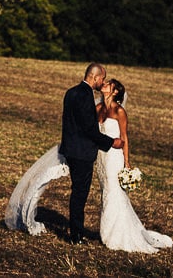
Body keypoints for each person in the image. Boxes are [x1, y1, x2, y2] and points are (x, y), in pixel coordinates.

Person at [95, 78, 173, 252]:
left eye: (108, 84)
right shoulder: (99, 108)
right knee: (105, 191)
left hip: (114, 158)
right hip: (101, 157)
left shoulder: (119, 112)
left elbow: (125, 137)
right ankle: (109, 230)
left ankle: (115, 234)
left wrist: (127, 162)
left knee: (113, 192)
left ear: (115, 92)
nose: (104, 85)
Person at [59, 63, 125, 244]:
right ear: (95, 77)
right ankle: (76, 236)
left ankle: (75, 232)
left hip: (71, 149)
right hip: (82, 153)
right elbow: (89, 130)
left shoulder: (71, 92)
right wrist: (112, 142)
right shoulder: (86, 96)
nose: (103, 82)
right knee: (80, 194)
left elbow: (68, 123)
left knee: (77, 192)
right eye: (102, 78)